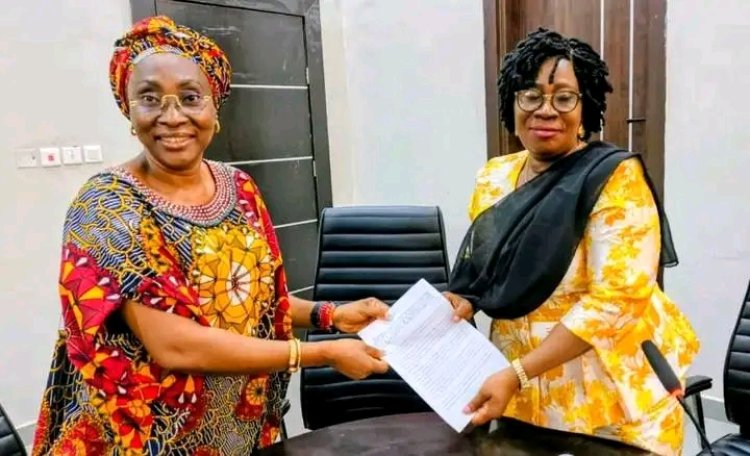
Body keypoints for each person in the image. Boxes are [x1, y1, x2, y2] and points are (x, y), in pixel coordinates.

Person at [32, 16, 390, 455]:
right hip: (144, 437)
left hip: (234, 428)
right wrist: (320, 354)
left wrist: (330, 315)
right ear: (128, 109)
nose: (172, 117)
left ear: (214, 106)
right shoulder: (107, 205)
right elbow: (175, 344)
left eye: (189, 97)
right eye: (149, 98)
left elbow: (251, 301)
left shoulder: (238, 188)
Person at [443, 29, 699, 456]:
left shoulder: (614, 178)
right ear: (511, 103)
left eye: (564, 98)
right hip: (520, 394)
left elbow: (615, 301)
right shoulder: (493, 178)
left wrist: (518, 373)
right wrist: (465, 300)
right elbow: (489, 270)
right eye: (531, 96)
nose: (546, 110)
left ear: (586, 108)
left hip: (611, 397)